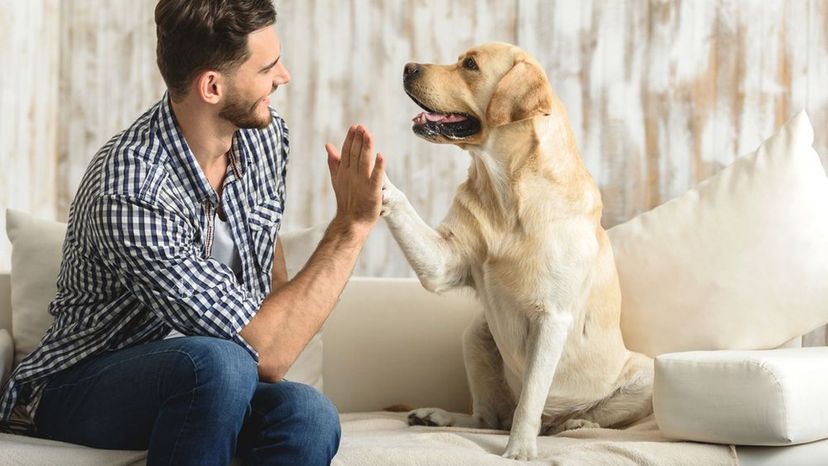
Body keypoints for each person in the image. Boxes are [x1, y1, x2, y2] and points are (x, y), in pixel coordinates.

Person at [0, 0, 386, 464]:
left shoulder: (264, 137)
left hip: (214, 380)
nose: (283, 76)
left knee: (308, 413)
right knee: (219, 363)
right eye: (267, 67)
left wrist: (276, 327)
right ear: (212, 86)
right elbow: (268, 352)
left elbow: (268, 261)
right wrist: (351, 227)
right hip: (78, 385)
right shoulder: (130, 186)